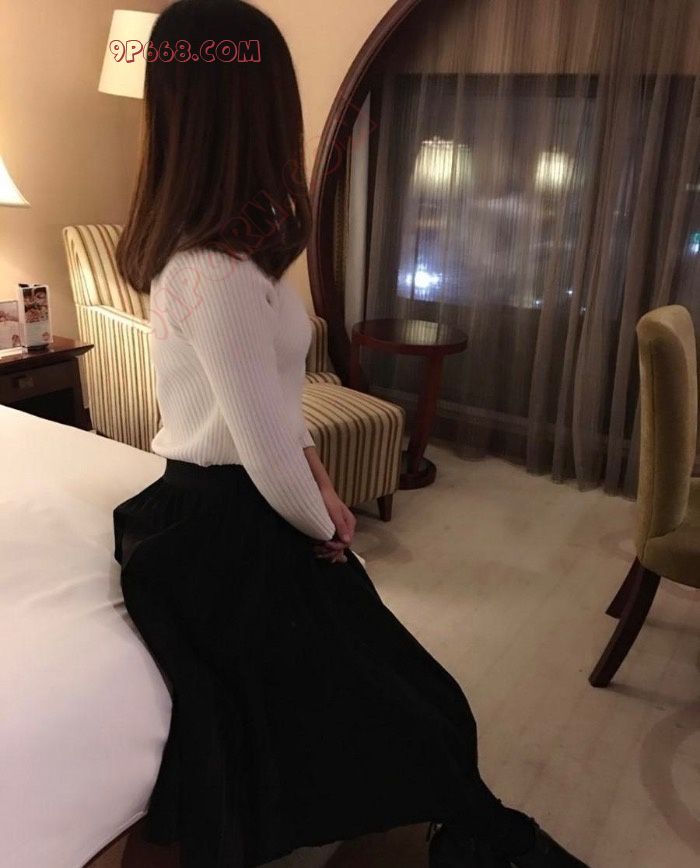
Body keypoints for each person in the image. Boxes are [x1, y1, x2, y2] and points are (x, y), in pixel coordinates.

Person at [113, 2, 588, 867]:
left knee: (413, 691)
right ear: (251, 112)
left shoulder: (233, 260)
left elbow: (277, 410)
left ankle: (455, 826)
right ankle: (462, 833)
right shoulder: (211, 273)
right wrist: (323, 520)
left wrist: (325, 488)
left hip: (248, 504)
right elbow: (261, 450)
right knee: (403, 699)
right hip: (224, 521)